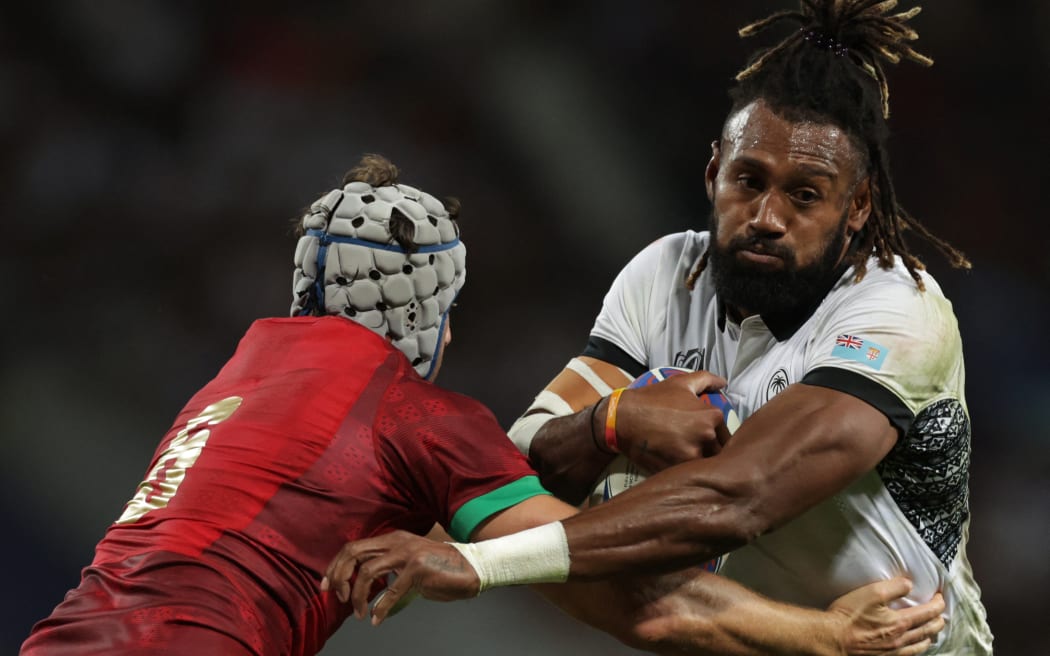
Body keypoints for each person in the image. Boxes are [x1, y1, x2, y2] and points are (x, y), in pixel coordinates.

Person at [18, 154, 944, 656]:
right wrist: (824, 637)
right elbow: (639, 603)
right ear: (433, 315)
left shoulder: (235, 378)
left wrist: (606, 425)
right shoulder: (414, 415)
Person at [323, 2, 993, 654]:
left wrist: (479, 564)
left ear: (858, 205)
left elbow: (739, 496)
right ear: (713, 174)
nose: (766, 215)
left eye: (805, 194)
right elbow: (520, 469)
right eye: (748, 180)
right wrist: (608, 422)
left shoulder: (896, 312)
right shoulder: (666, 276)